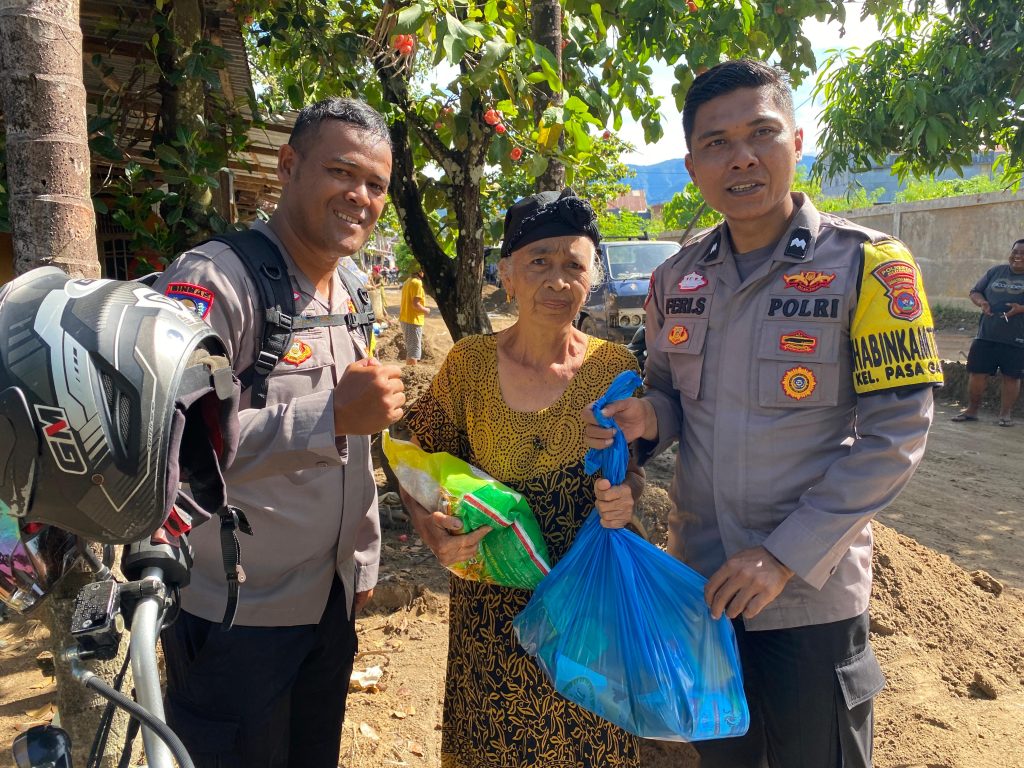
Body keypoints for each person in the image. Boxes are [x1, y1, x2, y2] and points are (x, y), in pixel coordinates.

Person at [583, 60, 943, 768]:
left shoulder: (871, 266)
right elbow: (669, 397)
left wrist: (782, 556)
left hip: (810, 599)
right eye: (717, 143)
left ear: (797, 141)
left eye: (761, 133)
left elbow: (896, 435)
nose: (741, 156)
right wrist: (643, 421)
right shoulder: (673, 278)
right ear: (692, 165)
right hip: (703, 590)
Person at [153, 98, 405, 768]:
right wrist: (329, 417)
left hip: (326, 604)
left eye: (376, 185)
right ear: (289, 165)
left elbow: (357, 450)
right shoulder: (213, 280)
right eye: (342, 172)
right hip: (236, 614)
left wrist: (364, 555)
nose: (360, 196)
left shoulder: (351, 288)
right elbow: (169, 446)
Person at [400, 188, 644, 768]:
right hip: (491, 628)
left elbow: (630, 469)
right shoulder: (470, 366)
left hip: (587, 621)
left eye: (574, 265)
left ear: (593, 277)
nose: (558, 281)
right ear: (506, 275)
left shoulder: (617, 369)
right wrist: (430, 530)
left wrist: (628, 495)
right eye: (539, 262)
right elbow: (410, 451)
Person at [951, 238, 1024, 426]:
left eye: (1023, 253)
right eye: (1015, 251)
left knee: (1011, 376)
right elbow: (975, 291)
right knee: (977, 373)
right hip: (987, 334)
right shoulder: (995, 272)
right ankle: (971, 411)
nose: (1018, 256)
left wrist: (1021, 309)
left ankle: (1005, 415)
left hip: (1017, 338)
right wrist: (981, 302)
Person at [399, 266, 428, 365]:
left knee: (411, 348)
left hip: (406, 318)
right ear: (420, 272)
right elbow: (415, 305)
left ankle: (410, 373)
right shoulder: (417, 283)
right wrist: (426, 310)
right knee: (414, 351)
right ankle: (412, 375)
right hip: (413, 320)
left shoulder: (408, 281)